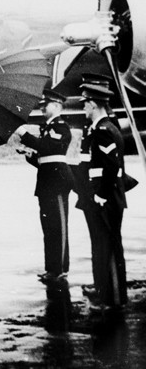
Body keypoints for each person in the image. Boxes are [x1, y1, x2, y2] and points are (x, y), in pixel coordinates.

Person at [14, 89, 74, 283]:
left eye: (45, 104)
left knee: (59, 227)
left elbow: (48, 148)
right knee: (48, 228)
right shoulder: (47, 128)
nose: (42, 107)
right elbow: (44, 158)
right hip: (47, 182)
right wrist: (30, 156)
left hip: (57, 183)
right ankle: (51, 268)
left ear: (56, 106)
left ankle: (61, 268)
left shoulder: (61, 127)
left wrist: (22, 132)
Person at [80, 83, 127, 311]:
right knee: (101, 245)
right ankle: (103, 290)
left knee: (107, 247)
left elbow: (111, 166)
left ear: (94, 104)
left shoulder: (104, 130)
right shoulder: (101, 129)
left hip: (105, 197)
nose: (84, 108)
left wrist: (101, 195)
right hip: (104, 195)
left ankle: (113, 298)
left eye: (85, 103)